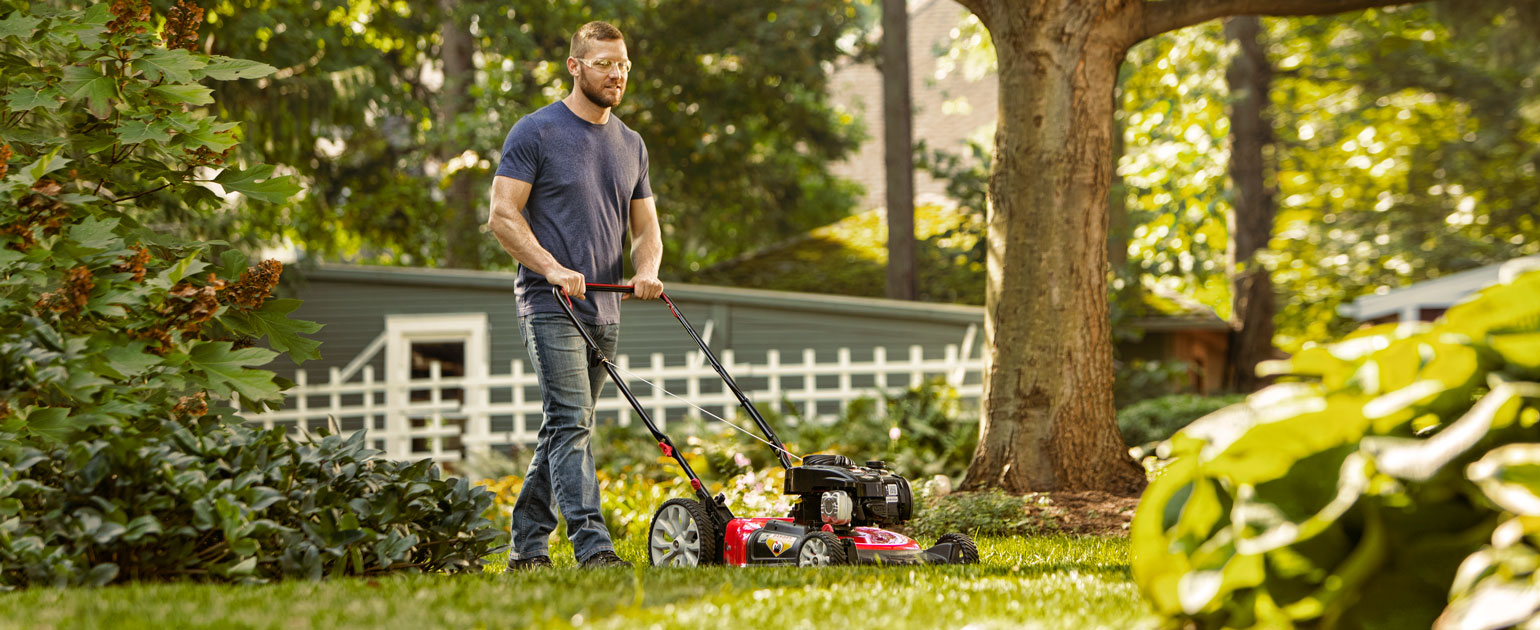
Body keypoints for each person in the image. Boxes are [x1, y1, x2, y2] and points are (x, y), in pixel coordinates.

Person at [486, 20, 663, 570]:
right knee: (570, 423)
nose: (617, 75)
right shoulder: (535, 132)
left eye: (624, 65)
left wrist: (647, 271)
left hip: (605, 308)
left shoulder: (631, 144)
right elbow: (501, 216)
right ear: (575, 66)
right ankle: (594, 547)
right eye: (605, 64)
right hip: (550, 305)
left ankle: (526, 548)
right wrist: (552, 268)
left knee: (566, 426)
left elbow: (646, 230)